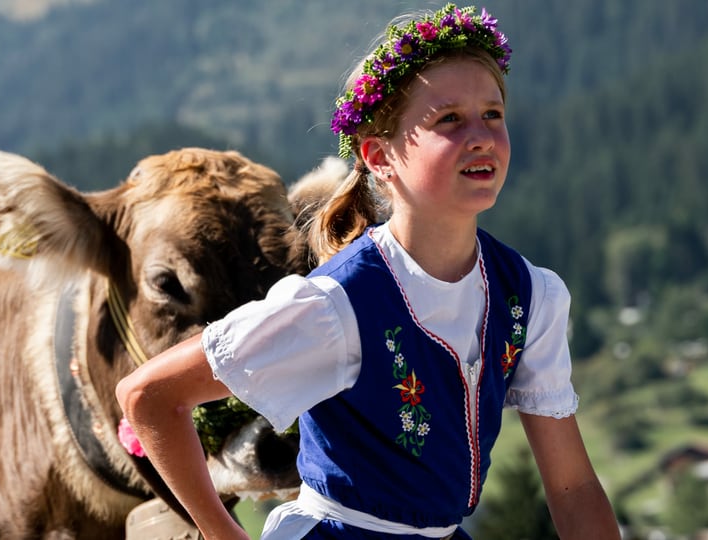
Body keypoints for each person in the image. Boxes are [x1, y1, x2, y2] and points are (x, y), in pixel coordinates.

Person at [117, 4, 620, 539]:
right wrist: (225, 534)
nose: (480, 135)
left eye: (493, 114)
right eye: (449, 118)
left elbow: (572, 487)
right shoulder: (337, 305)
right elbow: (148, 397)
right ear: (380, 156)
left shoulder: (527, 295)